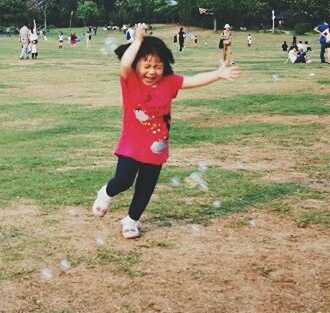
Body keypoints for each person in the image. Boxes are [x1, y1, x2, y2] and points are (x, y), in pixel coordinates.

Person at [91, 23, 239, 239]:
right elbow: (125, 63)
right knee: (123, 180)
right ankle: (106, 193)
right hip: (131, 145)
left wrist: (218, 74)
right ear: (137, 65)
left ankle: (131, 221)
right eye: (147, 65)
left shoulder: (169, 83)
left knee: (146, 187)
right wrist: (138, 41)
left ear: (165, 66)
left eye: (158, 66)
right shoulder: (130, 81)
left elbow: (193, 80)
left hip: (157, 147)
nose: (152, 71)